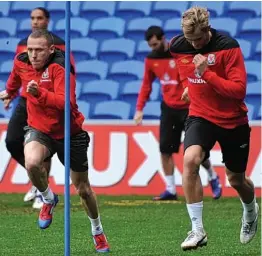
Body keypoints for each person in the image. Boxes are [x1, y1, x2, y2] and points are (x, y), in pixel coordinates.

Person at [0, 30, 110, 253]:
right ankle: (48, 198)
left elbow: (66, 103)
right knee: (31, 162)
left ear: (51, 50)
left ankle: (97, 230)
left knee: (83, 190)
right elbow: (14, 79)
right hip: (40, 129)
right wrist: (10, 93)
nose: (33, 54)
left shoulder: (60, 68)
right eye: (30, 49)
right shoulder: (21, 62)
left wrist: (39, 93)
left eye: (39, 50)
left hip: (70, 132)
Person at [169, 6, 259, 251]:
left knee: (236, 180)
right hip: (201, 116)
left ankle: (250, 212)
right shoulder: (178, 46)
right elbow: (186, 71)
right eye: (190, 40)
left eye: (198, 39)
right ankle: (197, 229)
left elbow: (239, 90)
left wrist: (206, 74)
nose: (194, 44)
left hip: (233, 121)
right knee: (190, 160)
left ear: (207, 30)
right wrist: (191, 86)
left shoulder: (228, 47)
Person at [134, 26, 222, 201]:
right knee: (165, 149)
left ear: (163, 38)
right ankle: (170, 189)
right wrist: (139, 108)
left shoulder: (181, 53)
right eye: (150, 45)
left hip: (191, 107)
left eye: (155, 44)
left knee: (195, 151)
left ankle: (212, 177)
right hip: (168, 108)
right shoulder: (151, 60)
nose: (153, 48)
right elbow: (146, 85)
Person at [4, 7, 74, 209]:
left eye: (39, 18)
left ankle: (41, 194)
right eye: (32, 18)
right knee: (11, 141)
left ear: (48, 21)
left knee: (42, 148)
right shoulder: (22, 44)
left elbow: (69, 71)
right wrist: (11, 93)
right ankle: (38, 182)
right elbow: (18, 73)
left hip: (47, 101)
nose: (35, 21)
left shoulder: (59, 44)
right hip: (26, 101)